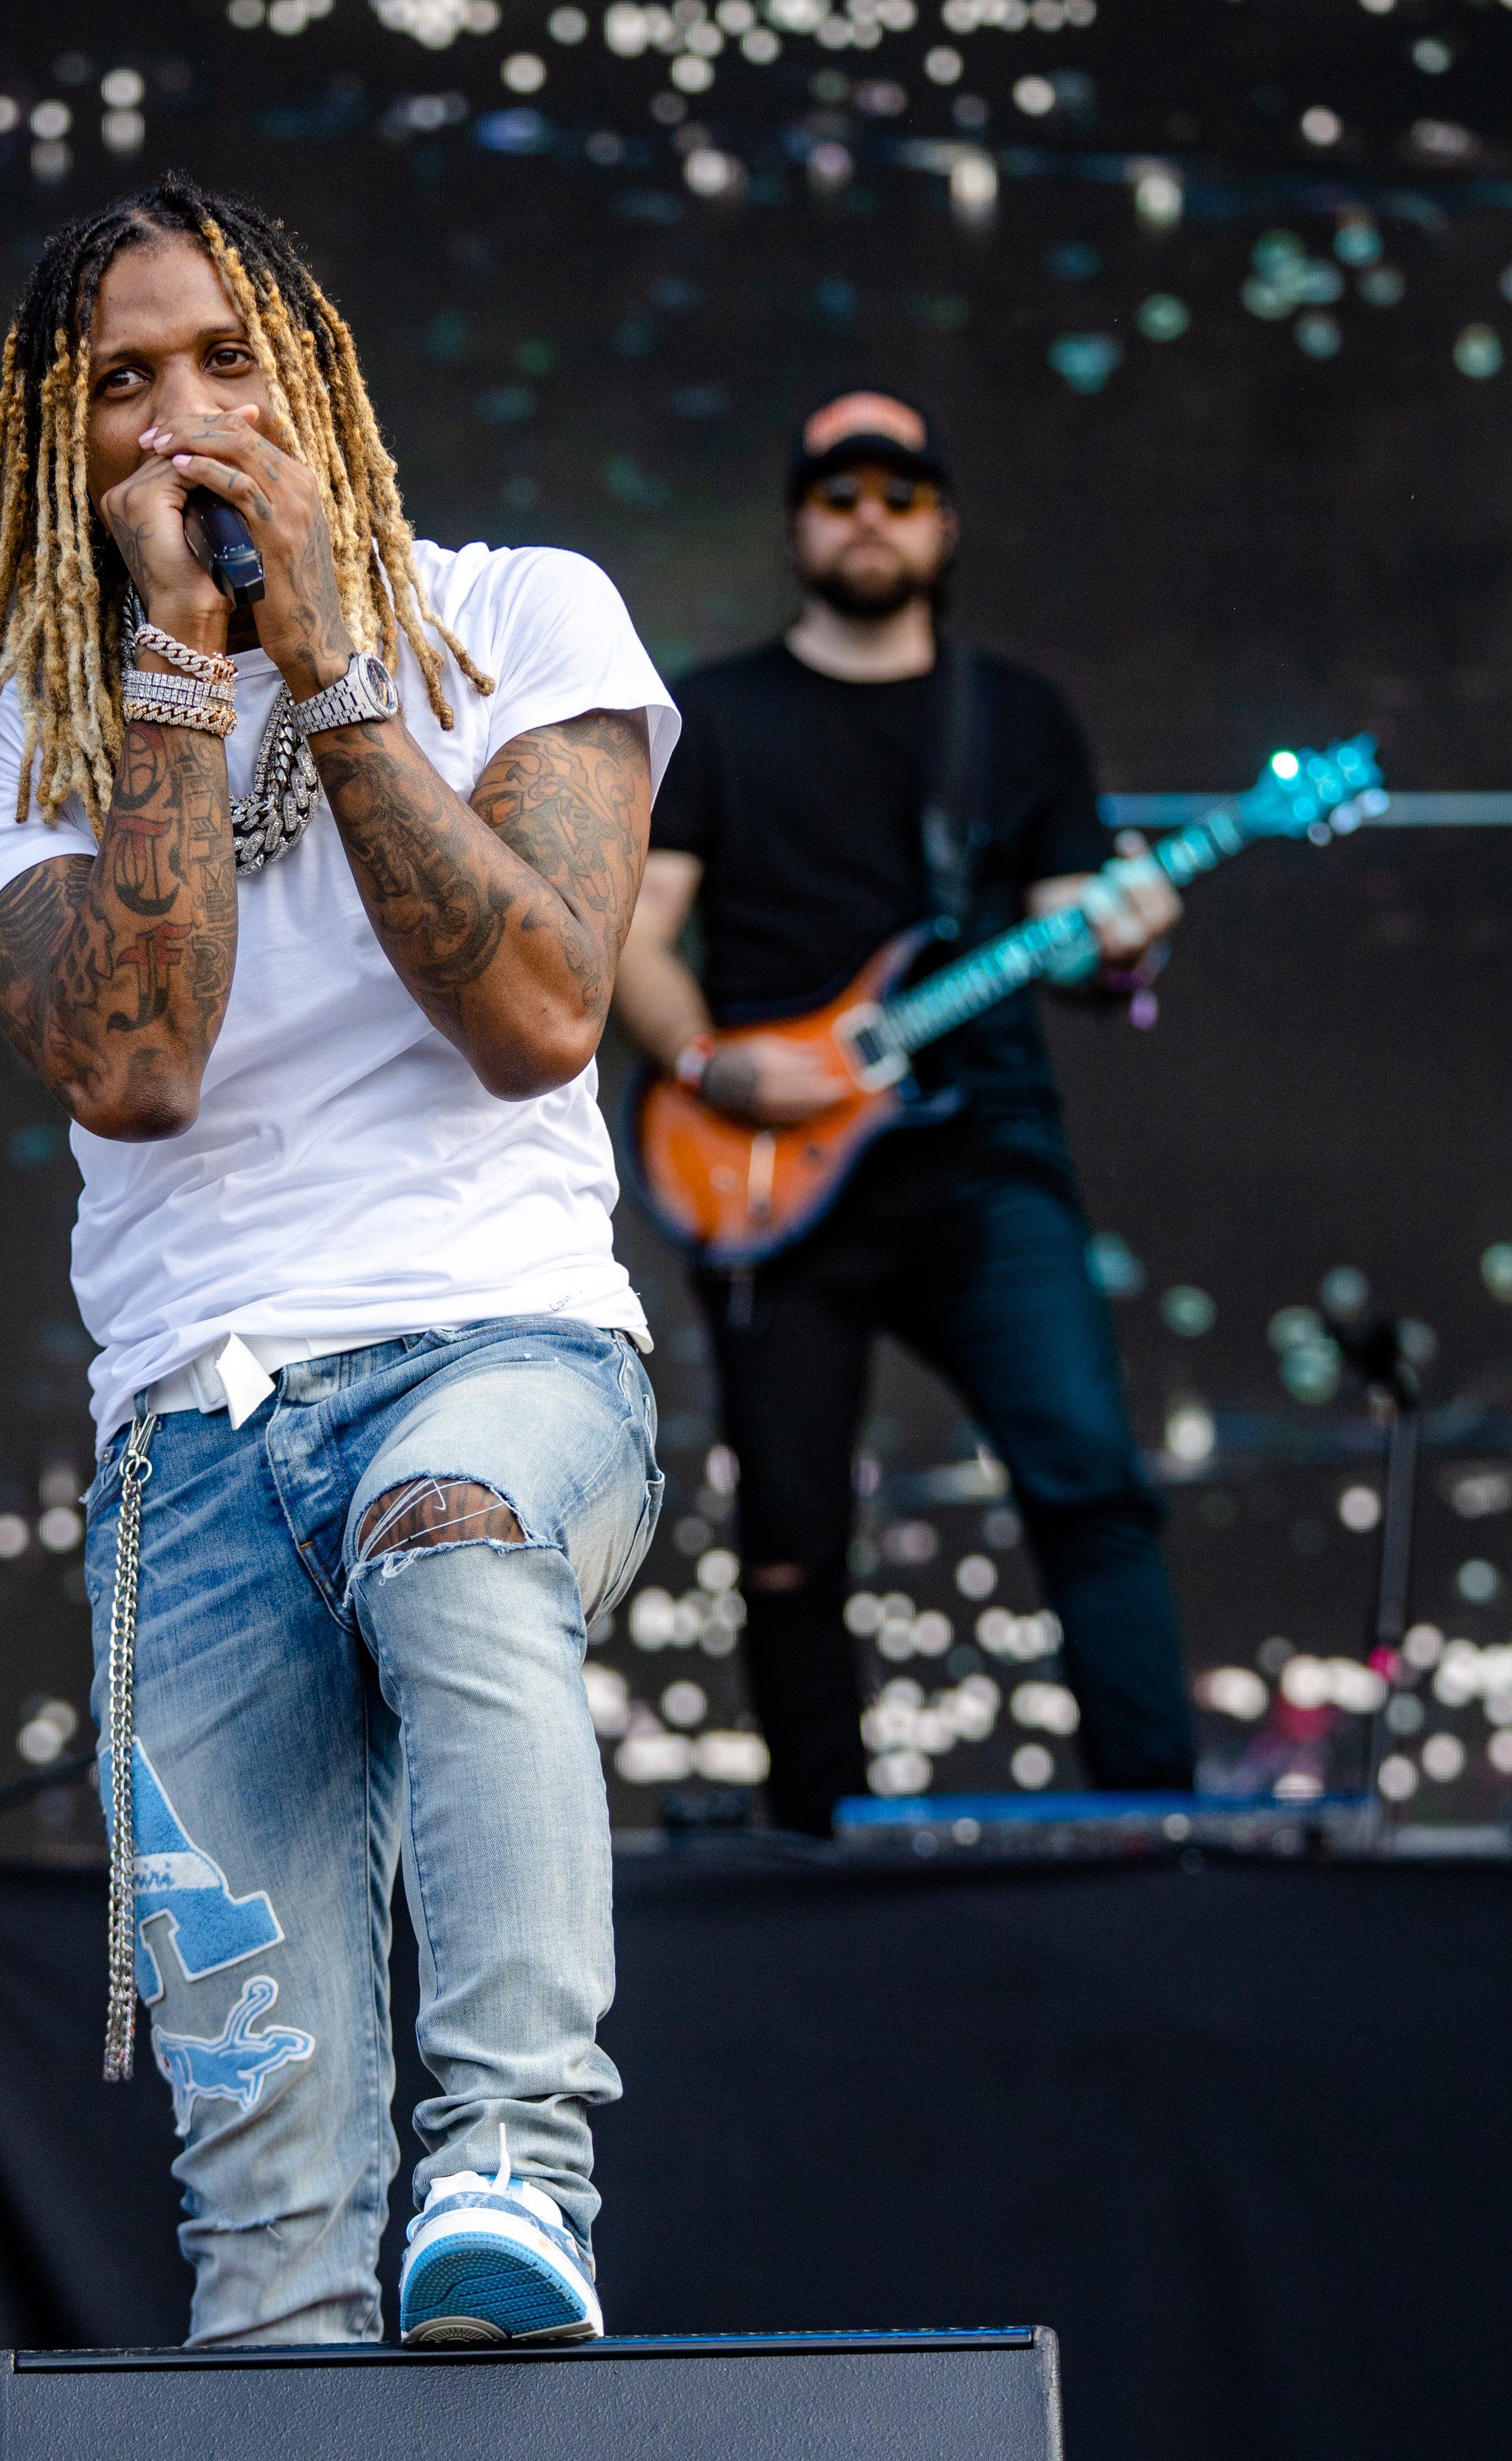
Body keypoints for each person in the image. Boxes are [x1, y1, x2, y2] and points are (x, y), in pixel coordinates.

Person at [0, 175, 674, 2349]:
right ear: (61, 453)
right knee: (265, 2227)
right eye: (121, 386)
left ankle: (516, 2148)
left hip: (498, 1343)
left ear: (316, 383)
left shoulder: (523, 618)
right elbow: (134, 1067)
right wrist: (177, 672)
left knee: (450, 1537)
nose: (184, 420)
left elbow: (537, 1014)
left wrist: (326, 654)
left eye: (228, 360)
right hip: (191, 1440)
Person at [611, 389, 1194, 1838]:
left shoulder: (1014, 716)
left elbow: (1076, 930)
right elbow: (630, 928)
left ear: (942, 520)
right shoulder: (719, 714)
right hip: (770, 1166)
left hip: (982, 1154)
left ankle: (1162, 1831)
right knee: (792, 1535)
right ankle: (818, 1848)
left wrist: (1128, 941)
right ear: (798, 522)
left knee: (1089, 1482)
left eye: (898, 491)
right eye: (837, 491)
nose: (867, 515)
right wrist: (714, 1066)